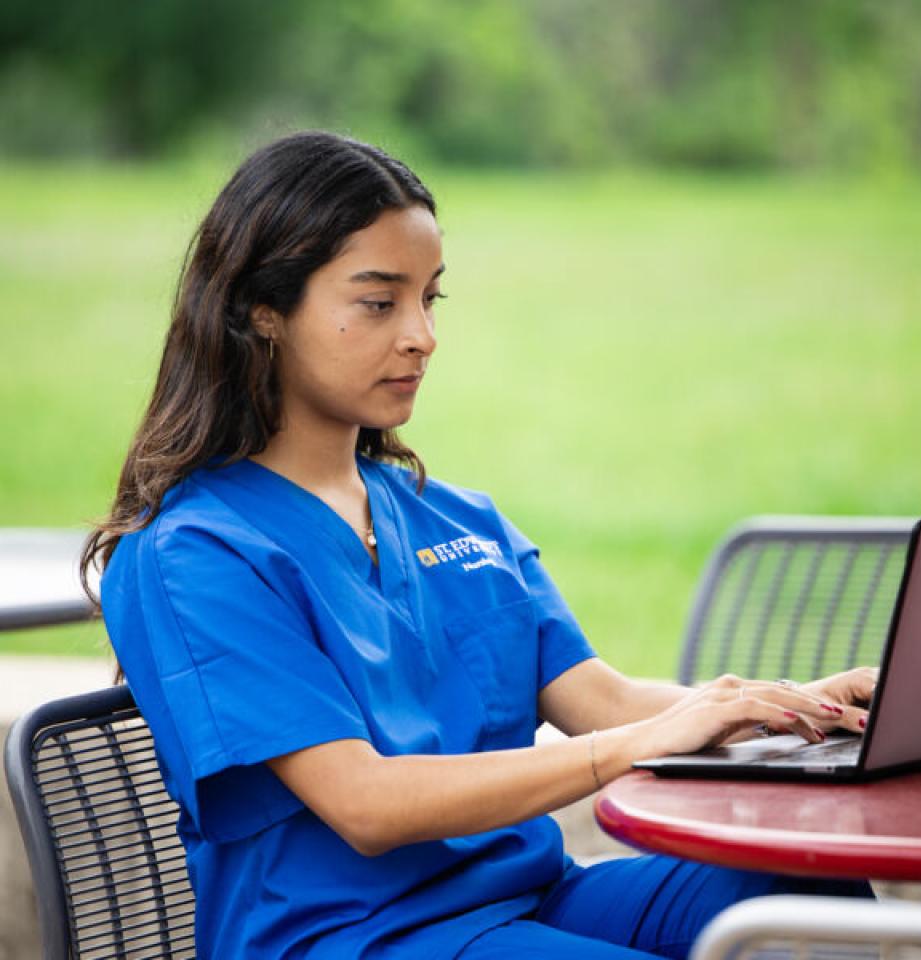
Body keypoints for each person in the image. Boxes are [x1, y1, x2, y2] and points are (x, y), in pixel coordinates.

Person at [82, 131, 874, 960]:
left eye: (432, 298)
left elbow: (599, 701)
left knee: (811, 890)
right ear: (263, 312)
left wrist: (796, 705)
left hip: (525, 899)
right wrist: (626, 752)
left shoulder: (458, 519)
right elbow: (366, 803)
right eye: (380, 302)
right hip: (353, 939)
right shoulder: (193, 556)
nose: (422, 334)